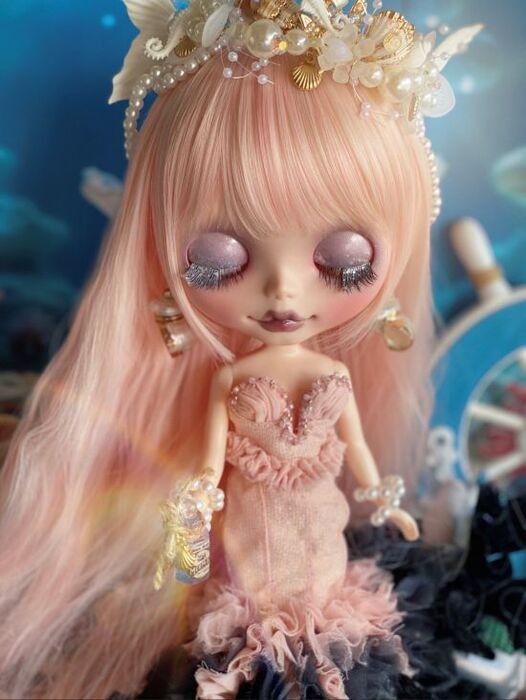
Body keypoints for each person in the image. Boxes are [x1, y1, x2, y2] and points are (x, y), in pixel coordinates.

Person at [0, 1, 482, 698]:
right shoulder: (235, 381)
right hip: (251, 537)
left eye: (344, 261)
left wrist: (385, 500)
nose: (284, 291)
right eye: (219, 259)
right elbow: (206, 463)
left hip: (320, 531)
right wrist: (190, 510)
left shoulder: (331, 373)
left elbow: (357, 446)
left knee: (328, 641)